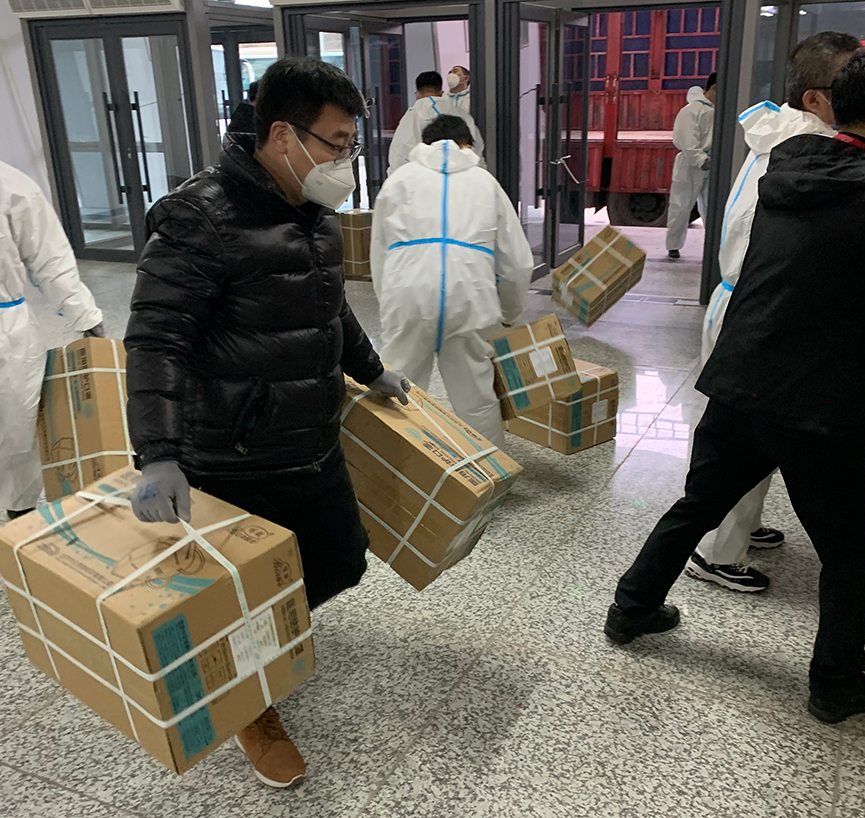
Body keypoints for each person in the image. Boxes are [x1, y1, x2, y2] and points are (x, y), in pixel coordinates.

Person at [125, 57, 410, 788]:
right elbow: (157, 339)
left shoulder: (313, 212)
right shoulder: (199, 218)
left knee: (338, 562)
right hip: (237, 450)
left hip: (313, 437)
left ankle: (269, 637)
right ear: (282, 135)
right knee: (247, 592)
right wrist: (158, 453)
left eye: (352, 144)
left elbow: (328, 308)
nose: (347, 161)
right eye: (337, 144)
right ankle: (251, 706)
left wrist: (371, 369)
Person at [605, 47, 865, 726]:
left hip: (742, 378)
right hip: (818, 404)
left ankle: (631, 608)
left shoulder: (787, 167)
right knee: (851, 552)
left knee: (697, 504)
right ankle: (836, 681)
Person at [687, 32, 860, 594]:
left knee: (751, 434)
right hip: (756, 311)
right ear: (816, 97)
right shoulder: (808, 150)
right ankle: (717, 551)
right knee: (743, 437)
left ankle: (742, 523)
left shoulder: (783, 133)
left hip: (748, 303)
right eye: (852, 84)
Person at [371, 115, 532, 447]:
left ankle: (397, 469)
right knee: (477, 397)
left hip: (408, 293)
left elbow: (380, 254)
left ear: (423, 145)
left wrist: (390, 304)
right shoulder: (485, 183)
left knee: (398, 388)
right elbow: (517, 262)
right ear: (468, 145)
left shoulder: (399, 180)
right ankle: (487, 471)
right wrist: (510, 313)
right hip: (471, 297)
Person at [0, 160, 104, 520]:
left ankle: (21, 512)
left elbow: (49, 258)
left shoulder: (10, 186)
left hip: (6, 331)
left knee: (17, 428)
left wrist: (85, 316)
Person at [387, 71, 484, 175]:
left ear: (417, 94)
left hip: (422, 178)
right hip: (461, 177)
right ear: (441, 93)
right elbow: (476, 150)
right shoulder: (462, 115)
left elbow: (398, 155)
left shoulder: (410, 117)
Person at [665, 73, 716, 260]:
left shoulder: (716, 110)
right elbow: (687, 140)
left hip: (711, 163)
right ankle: (673, 246)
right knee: (681, 206)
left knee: (712, 208)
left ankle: (715, 246)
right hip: (690, 164)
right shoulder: (691, 111)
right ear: (713, 88)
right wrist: (701, 160)